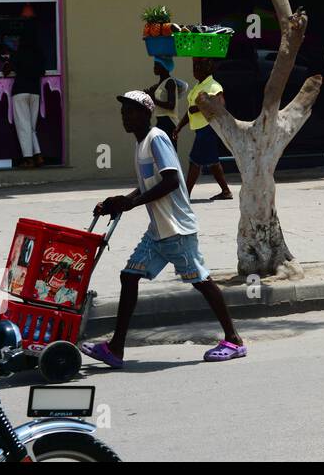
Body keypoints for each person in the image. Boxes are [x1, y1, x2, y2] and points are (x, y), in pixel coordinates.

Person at [79, 91, 245, 368]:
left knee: (201, 281)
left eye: (130, 111)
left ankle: (234, 340)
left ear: (146, 113)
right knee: (128, 276)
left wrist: (132, 203)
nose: (124, 116)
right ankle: (116, 348)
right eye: (123, 111)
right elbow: (148, 185)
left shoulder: (156, 138)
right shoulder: (141, 143)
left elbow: (170, 180)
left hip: (177, 229)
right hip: (158, 232)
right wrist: (118, 203)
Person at [174, 58, 233, 200]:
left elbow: (221, 105)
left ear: (208, 68)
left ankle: (186, 194)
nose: (195, 69)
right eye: (194, 66)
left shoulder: (213, 86)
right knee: (213, 161)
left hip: (208, 128)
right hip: (200, 128)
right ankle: (226, 191)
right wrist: (179, 127)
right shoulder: (198, 86)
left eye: (199, 66)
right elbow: (190, 111)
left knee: (194, 160)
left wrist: (201, 107)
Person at [2, 20, 46, 168]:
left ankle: (28, 159)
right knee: (31, 127)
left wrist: (8, 60)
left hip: (20, 91)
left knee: (23, 126)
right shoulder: (39, 53)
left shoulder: (18, 52)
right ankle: (38, 155)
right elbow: (42, 71)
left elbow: (6, 71)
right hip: (35, 92)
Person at [147, 56, 188, 139]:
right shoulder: (159, 85)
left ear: (164, 66)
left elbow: (171, 105)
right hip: (161, 121)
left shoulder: (170, 82)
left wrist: (154, 99)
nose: (154, 67)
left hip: (168, 122)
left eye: (157, 64)